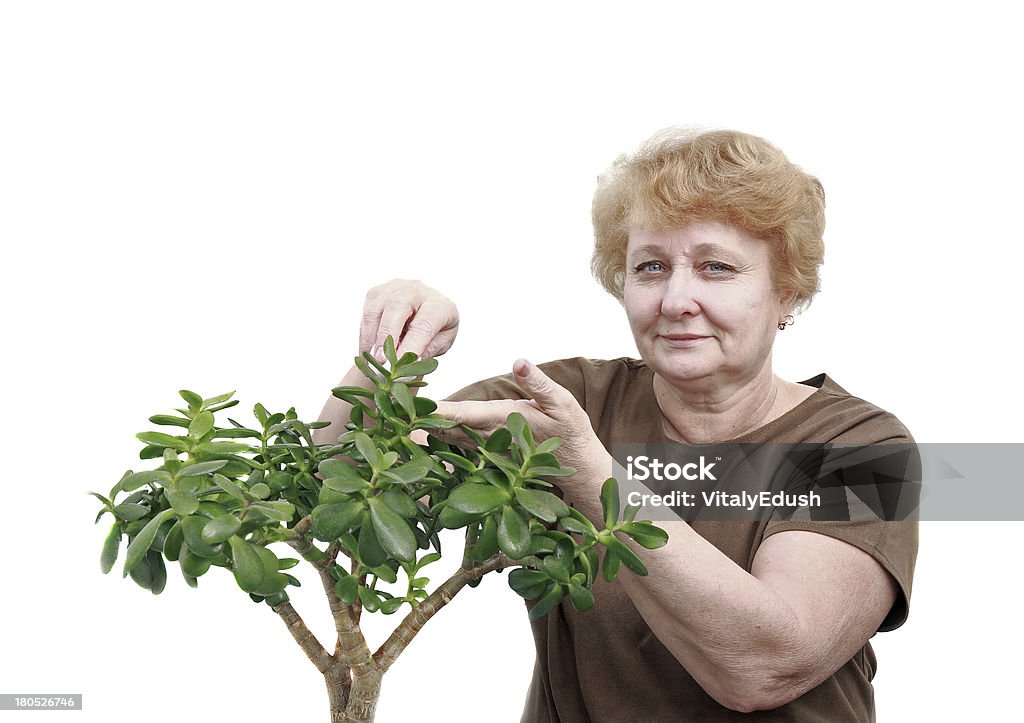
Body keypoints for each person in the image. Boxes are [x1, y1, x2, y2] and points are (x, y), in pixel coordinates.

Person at [314, 128, 919, 721]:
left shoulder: (865, 449)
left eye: (716, 268)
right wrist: (389, 354)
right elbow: (343, 486)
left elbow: (763, 664)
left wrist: (591, 474)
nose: (676, 300)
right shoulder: (573, 400)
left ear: (786, 291)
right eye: (651, 268)